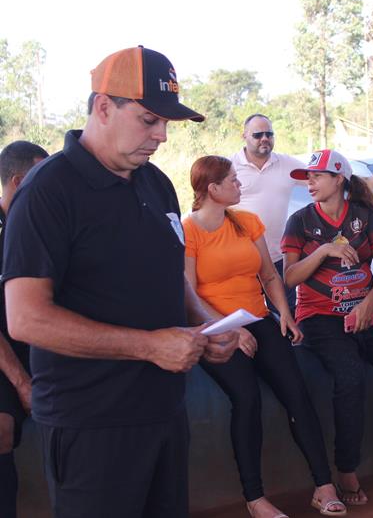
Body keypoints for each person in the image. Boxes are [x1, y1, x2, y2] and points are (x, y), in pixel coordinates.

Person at [1, 46, 238, 518]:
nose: (162, 136)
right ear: (104, 107)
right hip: (91, 422)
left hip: (164, 410)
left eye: (167, 123)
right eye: (149, 120)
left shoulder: (155, 182)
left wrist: (209, 324)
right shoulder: (48, 192)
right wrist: (150, 346)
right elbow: (26, 319)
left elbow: (171, 276)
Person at [183, 155, 345, 517]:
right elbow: (189, 295)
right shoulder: (188, 230)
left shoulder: (246, 222)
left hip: (258, 319)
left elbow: (270, 277)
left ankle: (324, 485)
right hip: (216, 328)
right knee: (247, 399)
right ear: (213, 189)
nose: (240, 186)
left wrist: (284, 315)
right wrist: (230, 330)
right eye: (233, 181)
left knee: (297, 394)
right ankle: (255, 499)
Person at [282, 149, 373, 506]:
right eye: (308, 178)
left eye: (317, 176)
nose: (311, 183)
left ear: (339, 179)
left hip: (366, 311)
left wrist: (367, 305)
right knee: (350, 378)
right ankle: (346, 469)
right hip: (319, 317)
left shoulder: (365, 217)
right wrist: (322, 252)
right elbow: (289, 277)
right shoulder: (300, 222)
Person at [232, 114, 373, 312]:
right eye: (258, 134)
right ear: (243, 135)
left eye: (269, 134)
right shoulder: (231, 167)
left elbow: (326, 177)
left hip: (278, 259)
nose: (264, 138)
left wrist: (367, 182)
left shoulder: (286, 163)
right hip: (242, 260)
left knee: (284, 321)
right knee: (246, 320)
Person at [0, 140, 48, 517]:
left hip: (42, 346)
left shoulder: (44, 224)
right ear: (18, 182)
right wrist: (21, 382)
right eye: (39, 178)